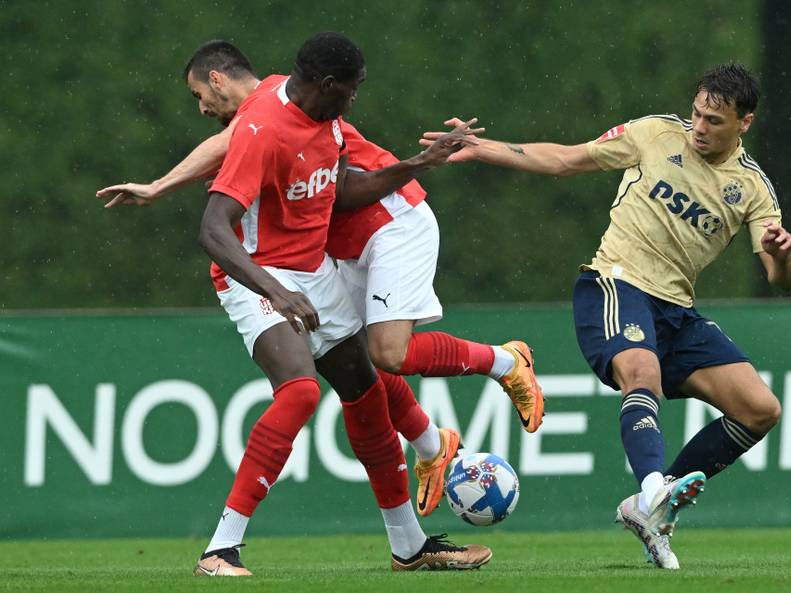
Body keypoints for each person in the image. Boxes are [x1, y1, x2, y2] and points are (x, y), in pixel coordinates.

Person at [97, 41, 546, 518]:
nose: (201, 108)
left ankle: (504, 360)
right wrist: (160, 188)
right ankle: (433, 447)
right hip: (338, 244)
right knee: (361, 365)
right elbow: (226, 147)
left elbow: (227, 150)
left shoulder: (282, 104)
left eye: (197, 94)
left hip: (392, 222)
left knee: (389, 352)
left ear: (216, 79)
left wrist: (159, 187)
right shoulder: (274, 106)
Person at [423, 64, 791, 570]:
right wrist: (484, 149)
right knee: (643, 376)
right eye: (697, 114)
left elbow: (784, 280)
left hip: (677, 311)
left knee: (761, 409)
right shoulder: (654, 134)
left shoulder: (752, 187)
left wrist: (781, 255)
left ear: (744, 123)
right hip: (615, 284)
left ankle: (653, 507)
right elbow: (565, 160)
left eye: (714, 120)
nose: (700, 128)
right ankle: (651, 491)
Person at [158, 32, 489, 575]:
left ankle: (408, 546)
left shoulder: (327, 121)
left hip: (313, 274)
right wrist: (276, 290)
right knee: (300, 392)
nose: (356, 98)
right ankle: (219, 549)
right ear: (328, 84)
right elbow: (213, 229)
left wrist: (418, 163)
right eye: (352, 89)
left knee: (366, 394)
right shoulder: (262, 128)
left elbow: (345, 192)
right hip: (254, 275)